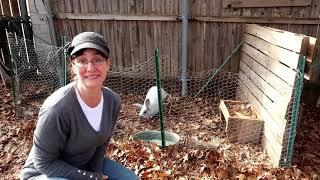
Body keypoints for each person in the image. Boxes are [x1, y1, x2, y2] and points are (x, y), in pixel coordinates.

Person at [20, 32, 139, 180]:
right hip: (45, 173)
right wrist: (90, 177)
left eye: (97, 60)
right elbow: (43, 163)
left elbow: (101, 146)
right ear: (73, 66)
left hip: (84, 164)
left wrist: (96, 173)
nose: (90, 68)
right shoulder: (56, 109)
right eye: (82, 61)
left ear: (108, 64)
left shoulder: (112, 101)